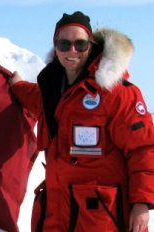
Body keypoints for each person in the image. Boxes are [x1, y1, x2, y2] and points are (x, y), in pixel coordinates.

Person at [9, 11, 154, 232]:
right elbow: (33, 97)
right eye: (64, 44)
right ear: (55, 46)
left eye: (80, 44)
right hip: (58, 212)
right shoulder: (51, 90)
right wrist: (15, 85)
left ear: (91, 45)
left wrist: (142, 203)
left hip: (104, 218)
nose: (72, 51)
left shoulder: (116, 93)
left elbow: (144, 149)